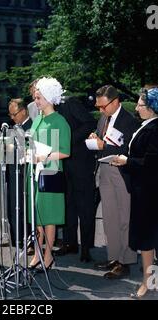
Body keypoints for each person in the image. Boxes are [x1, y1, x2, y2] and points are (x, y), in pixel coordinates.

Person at [111, 87, 158, 298]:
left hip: (149, 191)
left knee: (148, 239)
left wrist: (126, 161)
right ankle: (151, 282)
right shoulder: (147, 126)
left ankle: (149, 284)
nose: (136, 108)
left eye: (140, 104)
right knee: (149, 240)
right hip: (144, 189)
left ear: (150, 108)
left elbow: (151, 163)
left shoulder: (155, 129)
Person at [89, 85, 139, 279]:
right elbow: (104, 139)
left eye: (103, 106)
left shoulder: (129, 121)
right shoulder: (103, 118)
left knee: (124, 218)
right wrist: (95, 138)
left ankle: (125, 262)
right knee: (109, 218)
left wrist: (105, 146)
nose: (101, 110)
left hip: (122, 173)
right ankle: (114, 257)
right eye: (98, 106)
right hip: (104, 170)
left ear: (115, 101)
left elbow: (129, 149)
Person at [28, 77, 71, 271]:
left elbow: (65, 151)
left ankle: (48, 255)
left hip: (50, 172)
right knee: (37, 216)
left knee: (49, 217)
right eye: (35, 98)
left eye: (39, 98)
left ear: (49, 98)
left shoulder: (60, 121)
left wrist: (42, 157)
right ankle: (38, 253)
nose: (36, 101)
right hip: (35, 171)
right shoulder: (38, 118)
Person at [54, 96, 97, 262]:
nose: (37, 100)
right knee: (67, 206)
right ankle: (69, 243)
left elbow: (89, 123)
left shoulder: (70, 103)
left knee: (85, 207)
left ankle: (86, 248)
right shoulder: (47, 112)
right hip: (62, 166)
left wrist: (68, 140)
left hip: (81, 164)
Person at [7, 98, 32, 248]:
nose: (12, 117)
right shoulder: (12, 128)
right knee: (13, 207)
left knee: (26, 208)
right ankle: (17, 239)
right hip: (12, 174)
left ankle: (28, 240)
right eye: (10, 114)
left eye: (14, 114)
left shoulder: (33, 126)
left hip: (26, 174)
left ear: (23, 111)